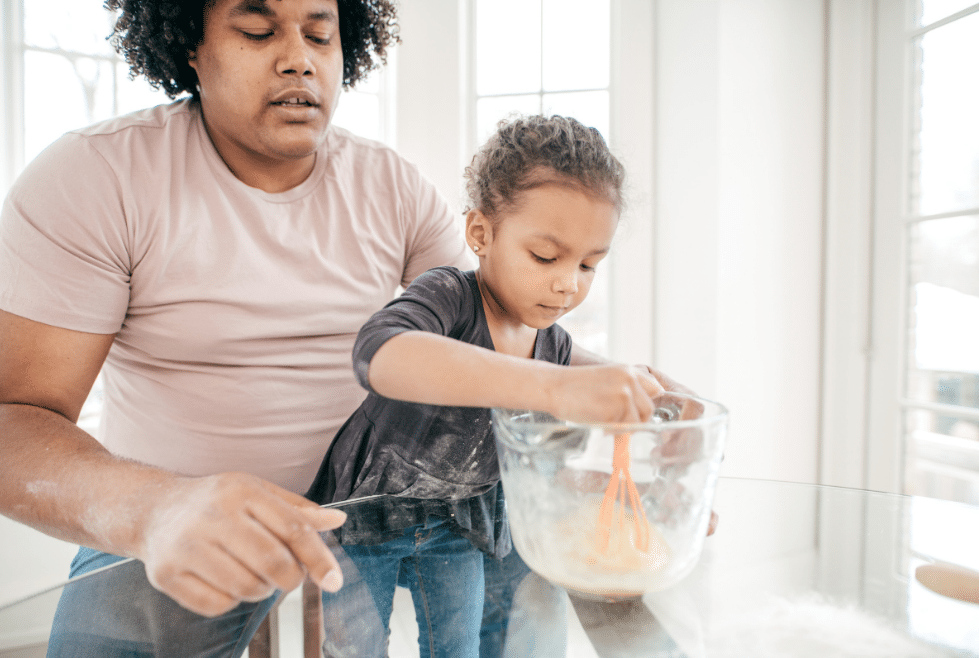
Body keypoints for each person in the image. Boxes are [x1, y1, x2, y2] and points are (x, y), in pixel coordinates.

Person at [0, 0, 701, 655]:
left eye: (319, 32)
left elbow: (496, 330)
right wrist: (156, 512)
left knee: (574, 592)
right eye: (257, 31)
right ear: (190, 43)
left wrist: (630, 395)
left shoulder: (389, 184)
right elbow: (15, 418)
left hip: (380, 517)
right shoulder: (96, 176)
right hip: (176, 517)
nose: (298, 59)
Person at [305, 114, 666, 658]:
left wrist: (663, 400)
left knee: (459, 649)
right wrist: (553, 388)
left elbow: (629, 388)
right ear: (480, 234)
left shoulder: (554, 343)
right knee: (352, 651)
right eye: (545, 256)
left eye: (589, 265)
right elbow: (379, 352)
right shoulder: (450, 294)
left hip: (457, 526)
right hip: (362, 517)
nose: (567, 283)